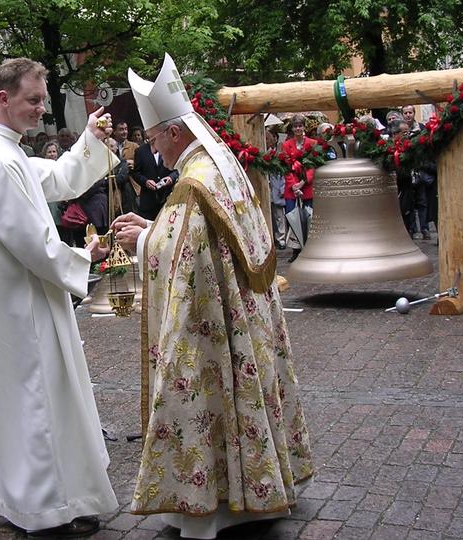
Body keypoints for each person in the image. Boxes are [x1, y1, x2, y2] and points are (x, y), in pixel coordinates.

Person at [112, 54, 313, 539]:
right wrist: (154, 227)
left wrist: (140, 240)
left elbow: (184, 257)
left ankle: (211, 505)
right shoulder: (219, 163)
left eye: (156, 136)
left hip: (213, 325)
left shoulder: (193, 181)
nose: (153, 145)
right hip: (239, 318)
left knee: (207, 396)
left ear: (174, 132)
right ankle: (255, 491)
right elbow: (195, 239)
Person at [0, 57, 118, 537]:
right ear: (3, 98)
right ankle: (45, 510)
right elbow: (32, 242)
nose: (40, 109)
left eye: (43, 100)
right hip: (21, 310)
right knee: (36, 402)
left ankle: (46, 499)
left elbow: (58, 178)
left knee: (35, 401)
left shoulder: (2, 151)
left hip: (16, 304)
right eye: (33, 100)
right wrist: (85, 255)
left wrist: (90, 137)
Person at [281, 114, 317, 262]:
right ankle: (296, 249)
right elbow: (286, 167)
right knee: (292, 217)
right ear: (292, 128)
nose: (298, 128)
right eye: (295, 126)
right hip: (292, 188)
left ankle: (310, 248)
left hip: (307, 186)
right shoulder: (286, 145)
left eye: (300, 126)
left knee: (309, 217)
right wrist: (294, 185)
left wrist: (303, 182)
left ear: (304, 127)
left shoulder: (312, 143)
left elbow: (313, 165)